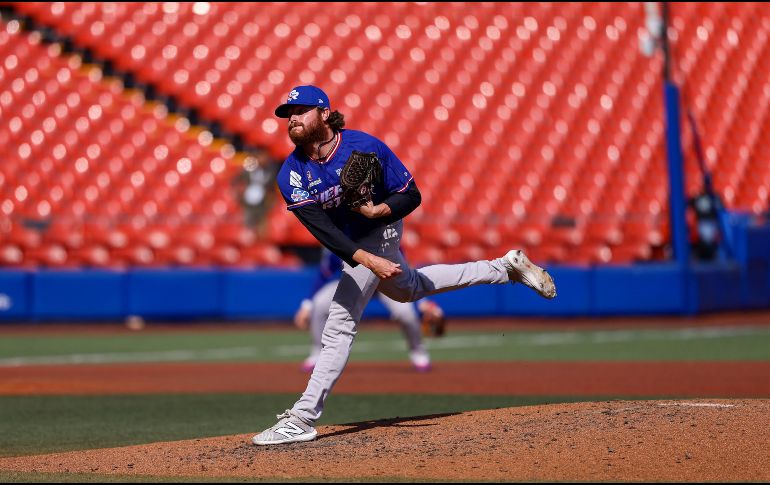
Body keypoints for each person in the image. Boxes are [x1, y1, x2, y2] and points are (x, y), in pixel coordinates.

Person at [252, 85, 556, 446]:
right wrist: (368, 260)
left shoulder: (365, 147)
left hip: (381, 227)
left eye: (301, 110)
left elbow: (411, 194)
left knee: (340, 323)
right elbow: (323, 230)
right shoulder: (292, 174)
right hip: (355, 244)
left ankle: (302, 418)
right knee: (411, 288)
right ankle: (504, 268)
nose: (293, 118)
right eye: (288, 114)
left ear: (324, 113)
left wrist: (380, 210)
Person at [294, 247, 447, 373]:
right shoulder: (338, 240)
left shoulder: (384, 236)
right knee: (320, 303)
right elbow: (323, 274)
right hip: (353, 282)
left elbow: (405, 271)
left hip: (385, 282)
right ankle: (316, 354)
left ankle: (419, 353)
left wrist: (423, 302)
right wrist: (307, 305)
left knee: (405, 314)